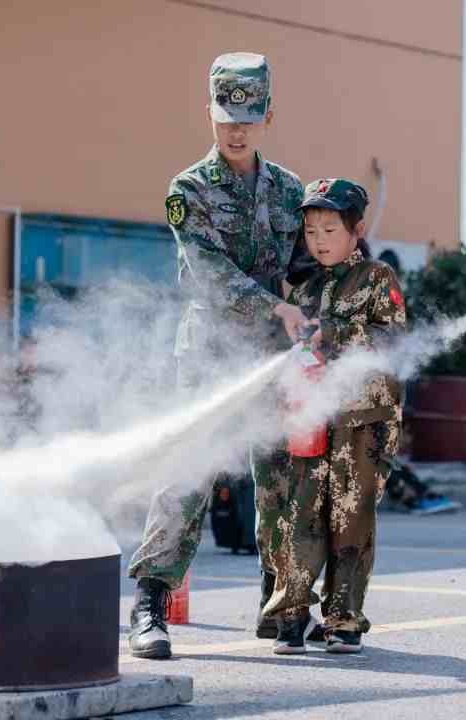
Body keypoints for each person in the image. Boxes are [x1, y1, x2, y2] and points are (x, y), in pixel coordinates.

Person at [127, 52, 317, 659]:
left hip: (274, 358)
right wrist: (276, 307)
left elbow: (307, 268)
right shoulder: (188, 189)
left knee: (281, 476)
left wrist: (320, 305)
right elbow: (207, 273)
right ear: (209, 114)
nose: (235, 129)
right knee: (186, 473)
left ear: (267, 115)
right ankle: (151, 601)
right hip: (210, 354)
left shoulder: (291, 191)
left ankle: (282, 602)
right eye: (224, 116)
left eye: (248, 116)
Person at [262, 178, 407, 654]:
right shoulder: (304, 291)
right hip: (311, 420)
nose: (319, 239)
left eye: (329, 228)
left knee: (350, 519)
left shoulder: (377, 278)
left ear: (356, 229)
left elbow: (390, 341)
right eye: (310, 230)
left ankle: (343, 619)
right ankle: (291, 615)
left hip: (363, 422)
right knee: (299, 514)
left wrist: (336, 332)